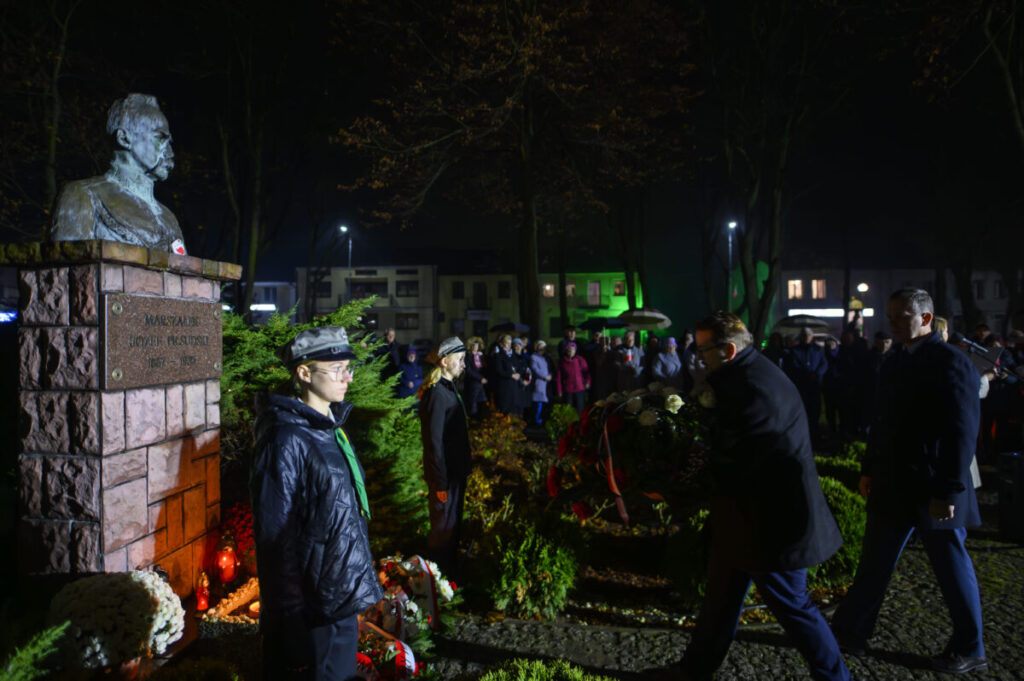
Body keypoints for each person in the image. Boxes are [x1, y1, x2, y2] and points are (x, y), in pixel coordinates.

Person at [678, 312, 849, 681]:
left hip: (773, 524)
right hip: (745, 519)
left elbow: (738, 459)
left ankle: (836, 677)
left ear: (727, 350)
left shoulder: (754, 388)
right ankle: (695, 669)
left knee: (793, 606)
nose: (698, 357)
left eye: (703, 350)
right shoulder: (745, 375)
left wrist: (681, 483)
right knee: (720, 599)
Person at [831, 289, 986, 674]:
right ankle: (851, 631)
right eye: (890, 317)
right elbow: (882, 421)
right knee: (874, 562)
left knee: (950, 567)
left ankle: (971, 647)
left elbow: (961, 433)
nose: (893, 324)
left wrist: (948, 490)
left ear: (926, 318)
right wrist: (869, 467)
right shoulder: (896, 359)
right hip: (894, 481)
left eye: (902, 317)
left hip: (932, 485)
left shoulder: (951, 362)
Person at [251, 326, 381, 681]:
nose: (347, 378)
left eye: (348, 369)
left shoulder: (328, 428)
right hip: (314, 611)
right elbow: (274, 538)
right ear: (304, 373)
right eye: (336, 369)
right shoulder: (285, 439)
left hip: (337, 599)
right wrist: (290, 620)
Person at [50, 93, 186, 253]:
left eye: (170, 142)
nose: (170, 152)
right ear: (124, 139)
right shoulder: (83, 194)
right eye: (160, 138)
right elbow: (68, 261)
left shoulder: (169, 218)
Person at [418, 337, 472, 577]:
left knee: (452, 529)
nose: (463, 364)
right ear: (444, 361)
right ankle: (438, 584)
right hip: (446, 478)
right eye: (459, 359)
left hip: (455, 474)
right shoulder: (437, 394)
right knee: (443, 533)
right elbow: (434, 442)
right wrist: (439, 482)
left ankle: (449, 580)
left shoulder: (448, 390)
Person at [783, 327, 828, 441]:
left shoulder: (818, 350)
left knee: (815, 410)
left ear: (811, 337)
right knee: (803, 409)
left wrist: (817, 374)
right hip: (801, 385)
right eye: (803, 335)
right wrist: (806, 374)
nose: (805, 337)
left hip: (814, 385)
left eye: (808, 335)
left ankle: (815, 434)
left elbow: (824, 363)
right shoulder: (794, 350)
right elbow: (793, 365)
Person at [556, 342, 590, 415]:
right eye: (569, 349)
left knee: (581, 410)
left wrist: (588, 382)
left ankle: (580, 422)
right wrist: (559, 391)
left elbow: (587, 373)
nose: (571, 351)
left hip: (580, 389)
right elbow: (559, 378)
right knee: (568, 411)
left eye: (573, 349)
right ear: (566, 350)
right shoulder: (562, 362)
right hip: (568, 390)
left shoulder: (580, 360)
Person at [492, 334, 521, 415]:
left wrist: (518, 374)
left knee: (513, 408)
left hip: (514, 385)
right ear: (502, 344)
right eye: (507, 343)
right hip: (504, 386)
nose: (509, 345)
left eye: (510, 343)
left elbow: (518, 366)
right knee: (505, 408)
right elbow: (499, 371)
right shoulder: (499, 355)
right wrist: (511, 375)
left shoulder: (513, 355)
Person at [462, 337, 488, 418]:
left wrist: (485, 377)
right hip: (473, 383)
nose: (475, 347)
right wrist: (480, 378)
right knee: (473, 403)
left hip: (482, 383)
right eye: (473, 345)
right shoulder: (468, 356)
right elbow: (469, 370)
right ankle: (472, 418)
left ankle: (481, 418)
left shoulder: (481, 355)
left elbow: (485, 367)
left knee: (482, 401)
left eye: (477, 345)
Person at [529, 340, 553, 426]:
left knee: (545, 403)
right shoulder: (533, 357)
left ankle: (542, 420)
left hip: (547, 384)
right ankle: (536, 420)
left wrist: (550, 375)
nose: (542, 348)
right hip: (539, 382)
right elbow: (535, 369)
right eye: (540, 346)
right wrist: (545, 376)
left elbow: (550, 368)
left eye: (543, 347)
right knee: (538, 403)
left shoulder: (546, 357)